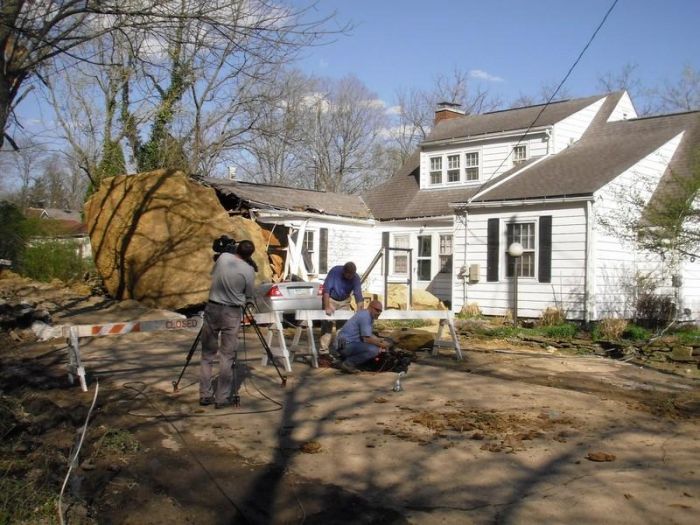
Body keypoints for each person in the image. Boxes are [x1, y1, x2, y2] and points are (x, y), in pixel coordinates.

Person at [199, 239, 256, 409]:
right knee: (227, 356)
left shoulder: (223, 258)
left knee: (207, 355)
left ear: (236, 248)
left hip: (213, 308)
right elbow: (249, 294)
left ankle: (205, 394)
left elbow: (214, 271)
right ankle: (222, 398)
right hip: (232, 313)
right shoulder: (249, 270)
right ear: (251, 255)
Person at [319, 261, 364, 354]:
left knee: (343, 328)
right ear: (344, 271)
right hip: (331, 298)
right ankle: (324, 351)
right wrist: (327, 306)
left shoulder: (355, 278)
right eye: (348, 275)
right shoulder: (334, 272)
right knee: (327, 324)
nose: (350, 277)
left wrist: (360, 311)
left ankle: (341, 351)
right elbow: (326, 291)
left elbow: (358, 295)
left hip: (344, 300)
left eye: (352, 275)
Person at [335, 300, 390, 374]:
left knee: (372, 345)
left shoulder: (365, 314)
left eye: (380, 311)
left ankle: (343, 360)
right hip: (345, 345)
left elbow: (368, 334)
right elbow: (366, 339)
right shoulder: (366, 317)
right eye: (377, 310)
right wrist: (382, 345)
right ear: (370, 307)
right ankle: (348, 364)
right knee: (374, 350)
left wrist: (380, 340)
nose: (379, 313)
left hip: (342, 344)